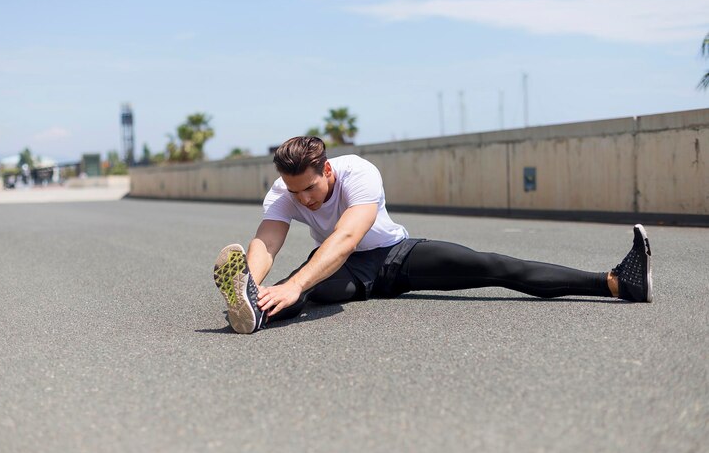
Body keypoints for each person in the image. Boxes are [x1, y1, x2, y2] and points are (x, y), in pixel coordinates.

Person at [213, 136, 653, 334]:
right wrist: (250, 281)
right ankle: (251, 310)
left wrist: (294, 281)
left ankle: (616, 282)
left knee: (492, 266)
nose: (304, 199)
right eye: (295, 192)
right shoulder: (284, 190)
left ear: (326, 169)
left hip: (397, 256)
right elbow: (267, 242)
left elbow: (346, 237)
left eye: (310, 188)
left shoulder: (359, 173)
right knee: (300, 295)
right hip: (347, 270)